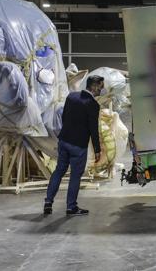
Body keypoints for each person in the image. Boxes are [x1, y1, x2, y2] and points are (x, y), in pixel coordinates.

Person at [43, 75, 104, 216]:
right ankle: (71, 207)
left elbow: (64, 117)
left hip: (64, 141)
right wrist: (97, 150)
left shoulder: (72, 97)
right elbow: (93, 129)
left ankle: (48, 202)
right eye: (100, 86)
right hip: (78, 145)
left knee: (59, 171)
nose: (102, 89)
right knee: (75, 176)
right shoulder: (93, 105)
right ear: (94, 86)